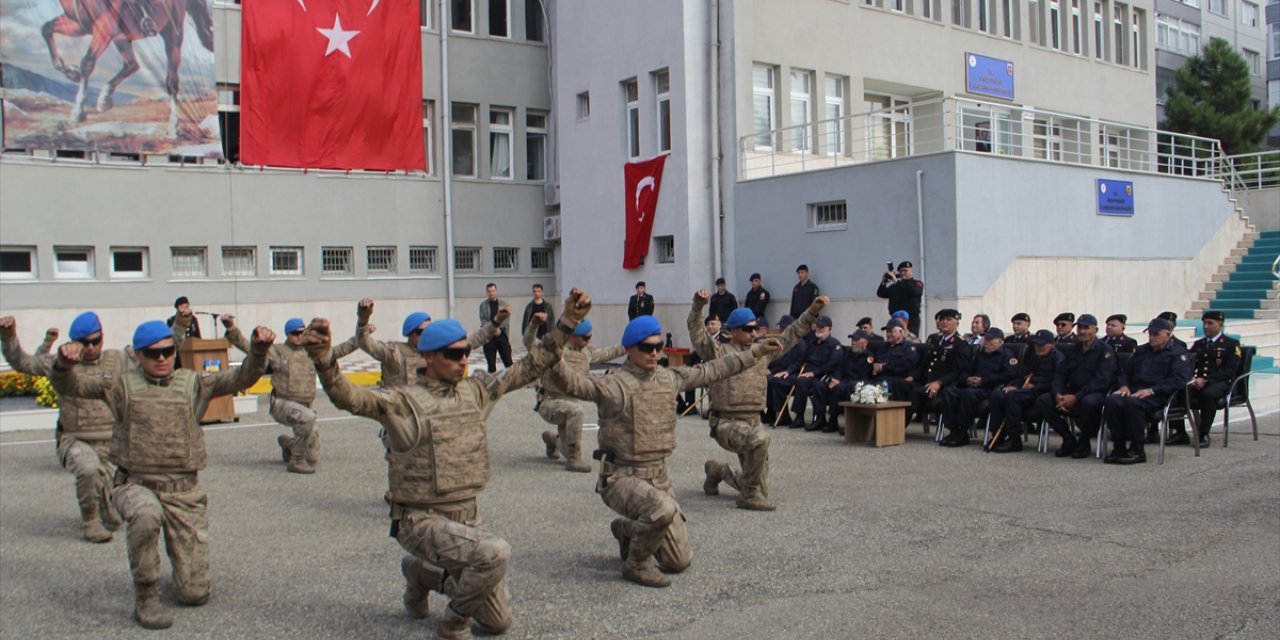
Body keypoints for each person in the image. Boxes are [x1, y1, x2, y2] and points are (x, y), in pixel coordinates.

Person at [306, 291, 592, 639]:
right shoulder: (403, 402)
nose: (462, 362)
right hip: (421, 519)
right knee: (494, 554)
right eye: (453, 355)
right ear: (428, 356)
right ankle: (452, 624)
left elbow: (531, 365)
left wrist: (568, 323)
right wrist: (323, 359)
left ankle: (423, 575)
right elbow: (349, 398)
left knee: (497, 622)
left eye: (464, 354)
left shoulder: (475, 392)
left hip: (468, 517)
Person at [51, 320, 271, 629]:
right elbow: (69, 387)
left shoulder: (194, 383)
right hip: (135, 484)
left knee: (194, 594)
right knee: (145, 515)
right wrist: (63, 365)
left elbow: (241, 377)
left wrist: (258, 350)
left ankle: (183, 574)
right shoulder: (120, 385)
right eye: (153, 353)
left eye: (168, 351)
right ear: (138, 356)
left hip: (183, 492)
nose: (162, 358)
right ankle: (146, 596)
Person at [545, 314, 782, 588]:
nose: (655, 352)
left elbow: (716, 369)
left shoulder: (670, 379)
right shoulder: (612, 385)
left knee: (677, 562)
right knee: (663, 508)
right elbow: (571, 381)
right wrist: (559, 336)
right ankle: (636, 564)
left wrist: (755, 353)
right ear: (630, 349)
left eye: (658, 346)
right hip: (621, 478)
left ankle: (628, 531)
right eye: (647, 347)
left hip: (660, 478)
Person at [690, 291, 825, 510]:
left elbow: (791, 334)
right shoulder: (719, 352)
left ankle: (719, 470)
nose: (753, 333)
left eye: (754, 328)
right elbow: (697, 335)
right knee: (760, 439)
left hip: (753, 420)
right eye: (747, 329)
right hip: (726, 423)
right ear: (733, 331)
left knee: (760, 485)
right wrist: (697, 307)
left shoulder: (762, 351)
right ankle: (748, 497)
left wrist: (813, 311)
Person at [1, 313, 123, 542]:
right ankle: (91, 522)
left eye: (94, 341)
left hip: (111, 441)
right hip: (75, 439)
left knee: (116, 511)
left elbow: (156, 357)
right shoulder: (59, 362)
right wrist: (8, 337)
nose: (89, 347)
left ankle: (105, 507)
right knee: (88, 469)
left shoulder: (116, 360)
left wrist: (180, 325)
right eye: (83, 342)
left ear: (102, 338)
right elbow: (22, 362)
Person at [223, 315, 325, 474]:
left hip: (306, 406)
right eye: (295, 333)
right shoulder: (277, 351)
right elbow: (249, 347)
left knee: (313, 457)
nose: (299, 336)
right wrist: (231, 328)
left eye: (302, 332)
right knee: (308, 419)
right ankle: (295, 461)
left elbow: (338, 351)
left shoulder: (311, 351)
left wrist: (362, 330)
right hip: (282, 404)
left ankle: (289, 444)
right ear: (288, 334)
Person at [526, 315, 624, 472]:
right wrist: (533, 325)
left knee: (566, 447)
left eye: (590, 336)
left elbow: (608, 353)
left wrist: (629, 344)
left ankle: (552, 440)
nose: (589, 340)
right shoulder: (554, 349)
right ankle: (574, 460)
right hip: (549, 402)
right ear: (571, 336)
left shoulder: (586, 352)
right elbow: (529, 342)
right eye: (585, 337)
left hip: (569, 403)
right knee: (576, 411)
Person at [356, 299, 501, 389]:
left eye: (428, 330)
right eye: (421, 332)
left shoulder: (436, 349)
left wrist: (495, 323)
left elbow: (470, 341)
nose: (426, 335)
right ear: (411, 334)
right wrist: (363, 318)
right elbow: (365, 343)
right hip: (400, 415)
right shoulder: (394, 352)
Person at [1102, 318, 1191, 465]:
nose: (1151, 337)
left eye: (1156, 334)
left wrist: (1152, 390)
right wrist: (1124, 386)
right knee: (1112, 400)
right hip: (1136, 391)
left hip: (1160, 395)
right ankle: (1119, 446)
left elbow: (1178, 381)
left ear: (1167, 334)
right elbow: (1125, 372)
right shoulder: (1142, 351)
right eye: (1150, 333)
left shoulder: (1178, 353)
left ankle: (1137, 448)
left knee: (1133, 403)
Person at [1037, 320, 1117, 459]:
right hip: (1072, 390)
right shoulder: (1073, 349)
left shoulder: (1105, 350)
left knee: (1089, 403)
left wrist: (1076, 397)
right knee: (1043, 400)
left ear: (1096, 330)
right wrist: (1057, 393)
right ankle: (1068, 438)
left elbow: (1101, 381)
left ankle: (1084, 442)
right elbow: (1060, 374)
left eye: (1086, 328)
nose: (1082, 331)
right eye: (1079, 328)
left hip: (1093, 392)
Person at [985, 329, 1064, 453]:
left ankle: (1014, 438)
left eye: (1042, 345)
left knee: (1012, 397)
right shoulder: (1034, 357)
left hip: (1042, 391)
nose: (1038, 347)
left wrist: (1035, 387)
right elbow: (1022, 375)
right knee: (999, 394)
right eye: (1036, 344)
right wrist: (1015, 386)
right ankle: (997, 434)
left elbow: (1057, 381)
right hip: (1025, 389)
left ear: (1052, 344)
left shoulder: (1057, 359)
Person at [937, 327, 1017, 447]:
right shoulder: (979, 354)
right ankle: (954, 430)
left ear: (1001, 342)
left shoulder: (1008, 356)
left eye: (991, 340)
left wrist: (983, 381)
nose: (987, 343)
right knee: (948, 392)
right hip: (973, 386)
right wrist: (967, 379)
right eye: (986, 339)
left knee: (968, 394)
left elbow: (1008, 375)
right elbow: (965, 371)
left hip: (990, 388)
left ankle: (963, 431)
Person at [1175, 310, 1241, 447]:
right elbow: (1189, 363)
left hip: (1220, 383)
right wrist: (1192, 379)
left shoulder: (1231, 344)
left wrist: (1206, 380)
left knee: (1208, 394)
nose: (1206, 326)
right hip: (1198, 382)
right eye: (1204, 323)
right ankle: (1179, 432)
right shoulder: (1199, 344)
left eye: (1210, 323)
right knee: (1177, 391)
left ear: (1220, 324)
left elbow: (1229, 371)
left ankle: (1203, 433)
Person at [767, 316, 841, 430]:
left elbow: (832, 364)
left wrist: (814, 372)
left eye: (822, 327)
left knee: (801, 381)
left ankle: (799, 417)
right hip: (803, 374)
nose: (818, 329)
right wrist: (788, 371)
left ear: (829, 329)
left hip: (820, 376)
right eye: (817, 327)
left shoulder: (834, 344)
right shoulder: (812, 344)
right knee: (777, 380)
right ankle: (783, 415)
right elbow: (801, 361)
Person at [907, 309, 972, 426]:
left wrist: (939, 382)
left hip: (944, 385)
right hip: (927, 381)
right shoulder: (935, 340)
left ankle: (897, 429)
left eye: (949, 320)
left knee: (916, 392)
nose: (944, 322)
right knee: (900, 385)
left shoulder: (960, 344)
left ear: (956, 323)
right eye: (942, 320)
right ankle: (886, 423)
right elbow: (924, 365)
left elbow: (958, 371)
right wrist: (912, 377)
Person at [811, 330, 877, 431]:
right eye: (852, 340)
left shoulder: (868, 357)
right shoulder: (848, 353)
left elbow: (862, 375)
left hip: (857, 382)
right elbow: (839, 368)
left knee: (839, 388)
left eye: (856, 340)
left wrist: (839, 382)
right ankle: (819, 418)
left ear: (865, 342)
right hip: (843, 380)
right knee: (818, 385)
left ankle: (833, 420)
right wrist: (835, 379)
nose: (853, 342)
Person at [874, 320, 920, 402]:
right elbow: (877, 362)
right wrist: (875, 366)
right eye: (887, 332)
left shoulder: (908, 347)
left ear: (901, 332)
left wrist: (884, 367)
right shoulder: (883, 347)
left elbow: (904, 365)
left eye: (891, 332)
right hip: (880, 378)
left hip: (897, 380)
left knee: (883, 388)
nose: (888, 334)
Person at [876, 261, 923, 337]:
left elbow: (913, 291)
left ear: (911, 271)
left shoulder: (917, 283)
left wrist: (896, 281)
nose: (903, 273)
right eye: (901, 271)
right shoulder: (895, 286)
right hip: (896, 318)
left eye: (905, 271)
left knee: (910, 339)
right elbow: (881, 293)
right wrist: (884, 281)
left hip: (911, 319)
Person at [479, 283, 513, 373]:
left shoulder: (503, 304)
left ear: (496, 291)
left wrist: (498, 329)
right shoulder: (483, 305)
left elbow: (506, 318)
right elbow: (483, 320)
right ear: (487, 292)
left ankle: (511, 381)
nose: (491, 293)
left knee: (508, 360)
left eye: (493, 291)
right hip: (489, 337)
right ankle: (492, 384)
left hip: (501, 335)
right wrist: (492, 329)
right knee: (491, 363)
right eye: (489, 291)